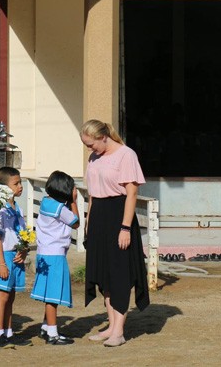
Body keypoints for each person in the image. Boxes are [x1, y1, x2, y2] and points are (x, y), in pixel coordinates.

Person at [80, 119, 149, 347]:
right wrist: (89, 222)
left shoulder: (126, 155)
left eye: (91, 144)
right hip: (99, 216)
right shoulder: (94, 158)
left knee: (119, 274)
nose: (90, 149)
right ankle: (111, 327)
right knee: (104, 274)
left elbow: (131, 194)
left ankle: (119, 331)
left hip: (119, 215)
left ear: (103, 137)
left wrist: (125, 227)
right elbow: (92, 194)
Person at [30, 170, 79, 345]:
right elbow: (76, 222)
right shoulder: (59, 208)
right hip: (55, 255)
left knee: (48, 292)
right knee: (53, 296)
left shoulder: (46, 202)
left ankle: (45, 327)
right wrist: (74, 201)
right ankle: (52, 333)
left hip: (44, 252)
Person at [0, 167, 31, 348]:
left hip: (14, 256)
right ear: (4, 187)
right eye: (16, 183)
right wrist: (1, 264)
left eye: (20, 182)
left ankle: (9, 332)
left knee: (10, 296)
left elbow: (21, 233)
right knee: (2, 296)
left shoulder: (16, 207)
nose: (20, 186)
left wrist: (24, 250)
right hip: (3, 256)